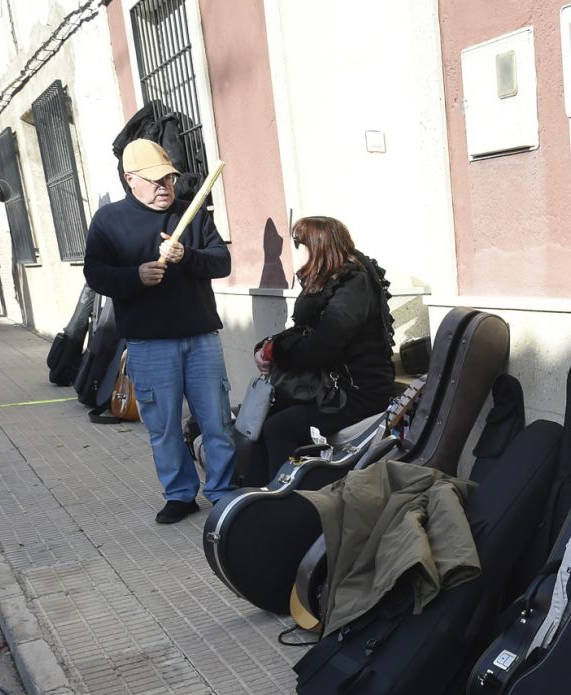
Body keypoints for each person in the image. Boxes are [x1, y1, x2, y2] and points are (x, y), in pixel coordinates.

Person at [82, 138, 235, 524]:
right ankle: (180, 494)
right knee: (163, 427)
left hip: (201, 336)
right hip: (149, 343)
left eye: (168, 178)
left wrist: (188, 257)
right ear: (130, 179)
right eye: (154, 180)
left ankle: (223, 490)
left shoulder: (194, 214)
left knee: (216, 420)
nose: (165, 186)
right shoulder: (109, 221)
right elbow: (95, 274)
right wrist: (135, 276)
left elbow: (222, 262)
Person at [251, 216, 396, 482]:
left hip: (358, 393)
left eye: (303, 246)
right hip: (331, 388)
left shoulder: (353, 285)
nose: (302, 255)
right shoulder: (333, 280)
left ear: (318, 248)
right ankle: (255, 497)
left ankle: (288, 503)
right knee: (263, 420)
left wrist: (277, 352)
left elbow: (323, 346)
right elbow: (303, 330)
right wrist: (267, 346)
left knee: (278, 429)